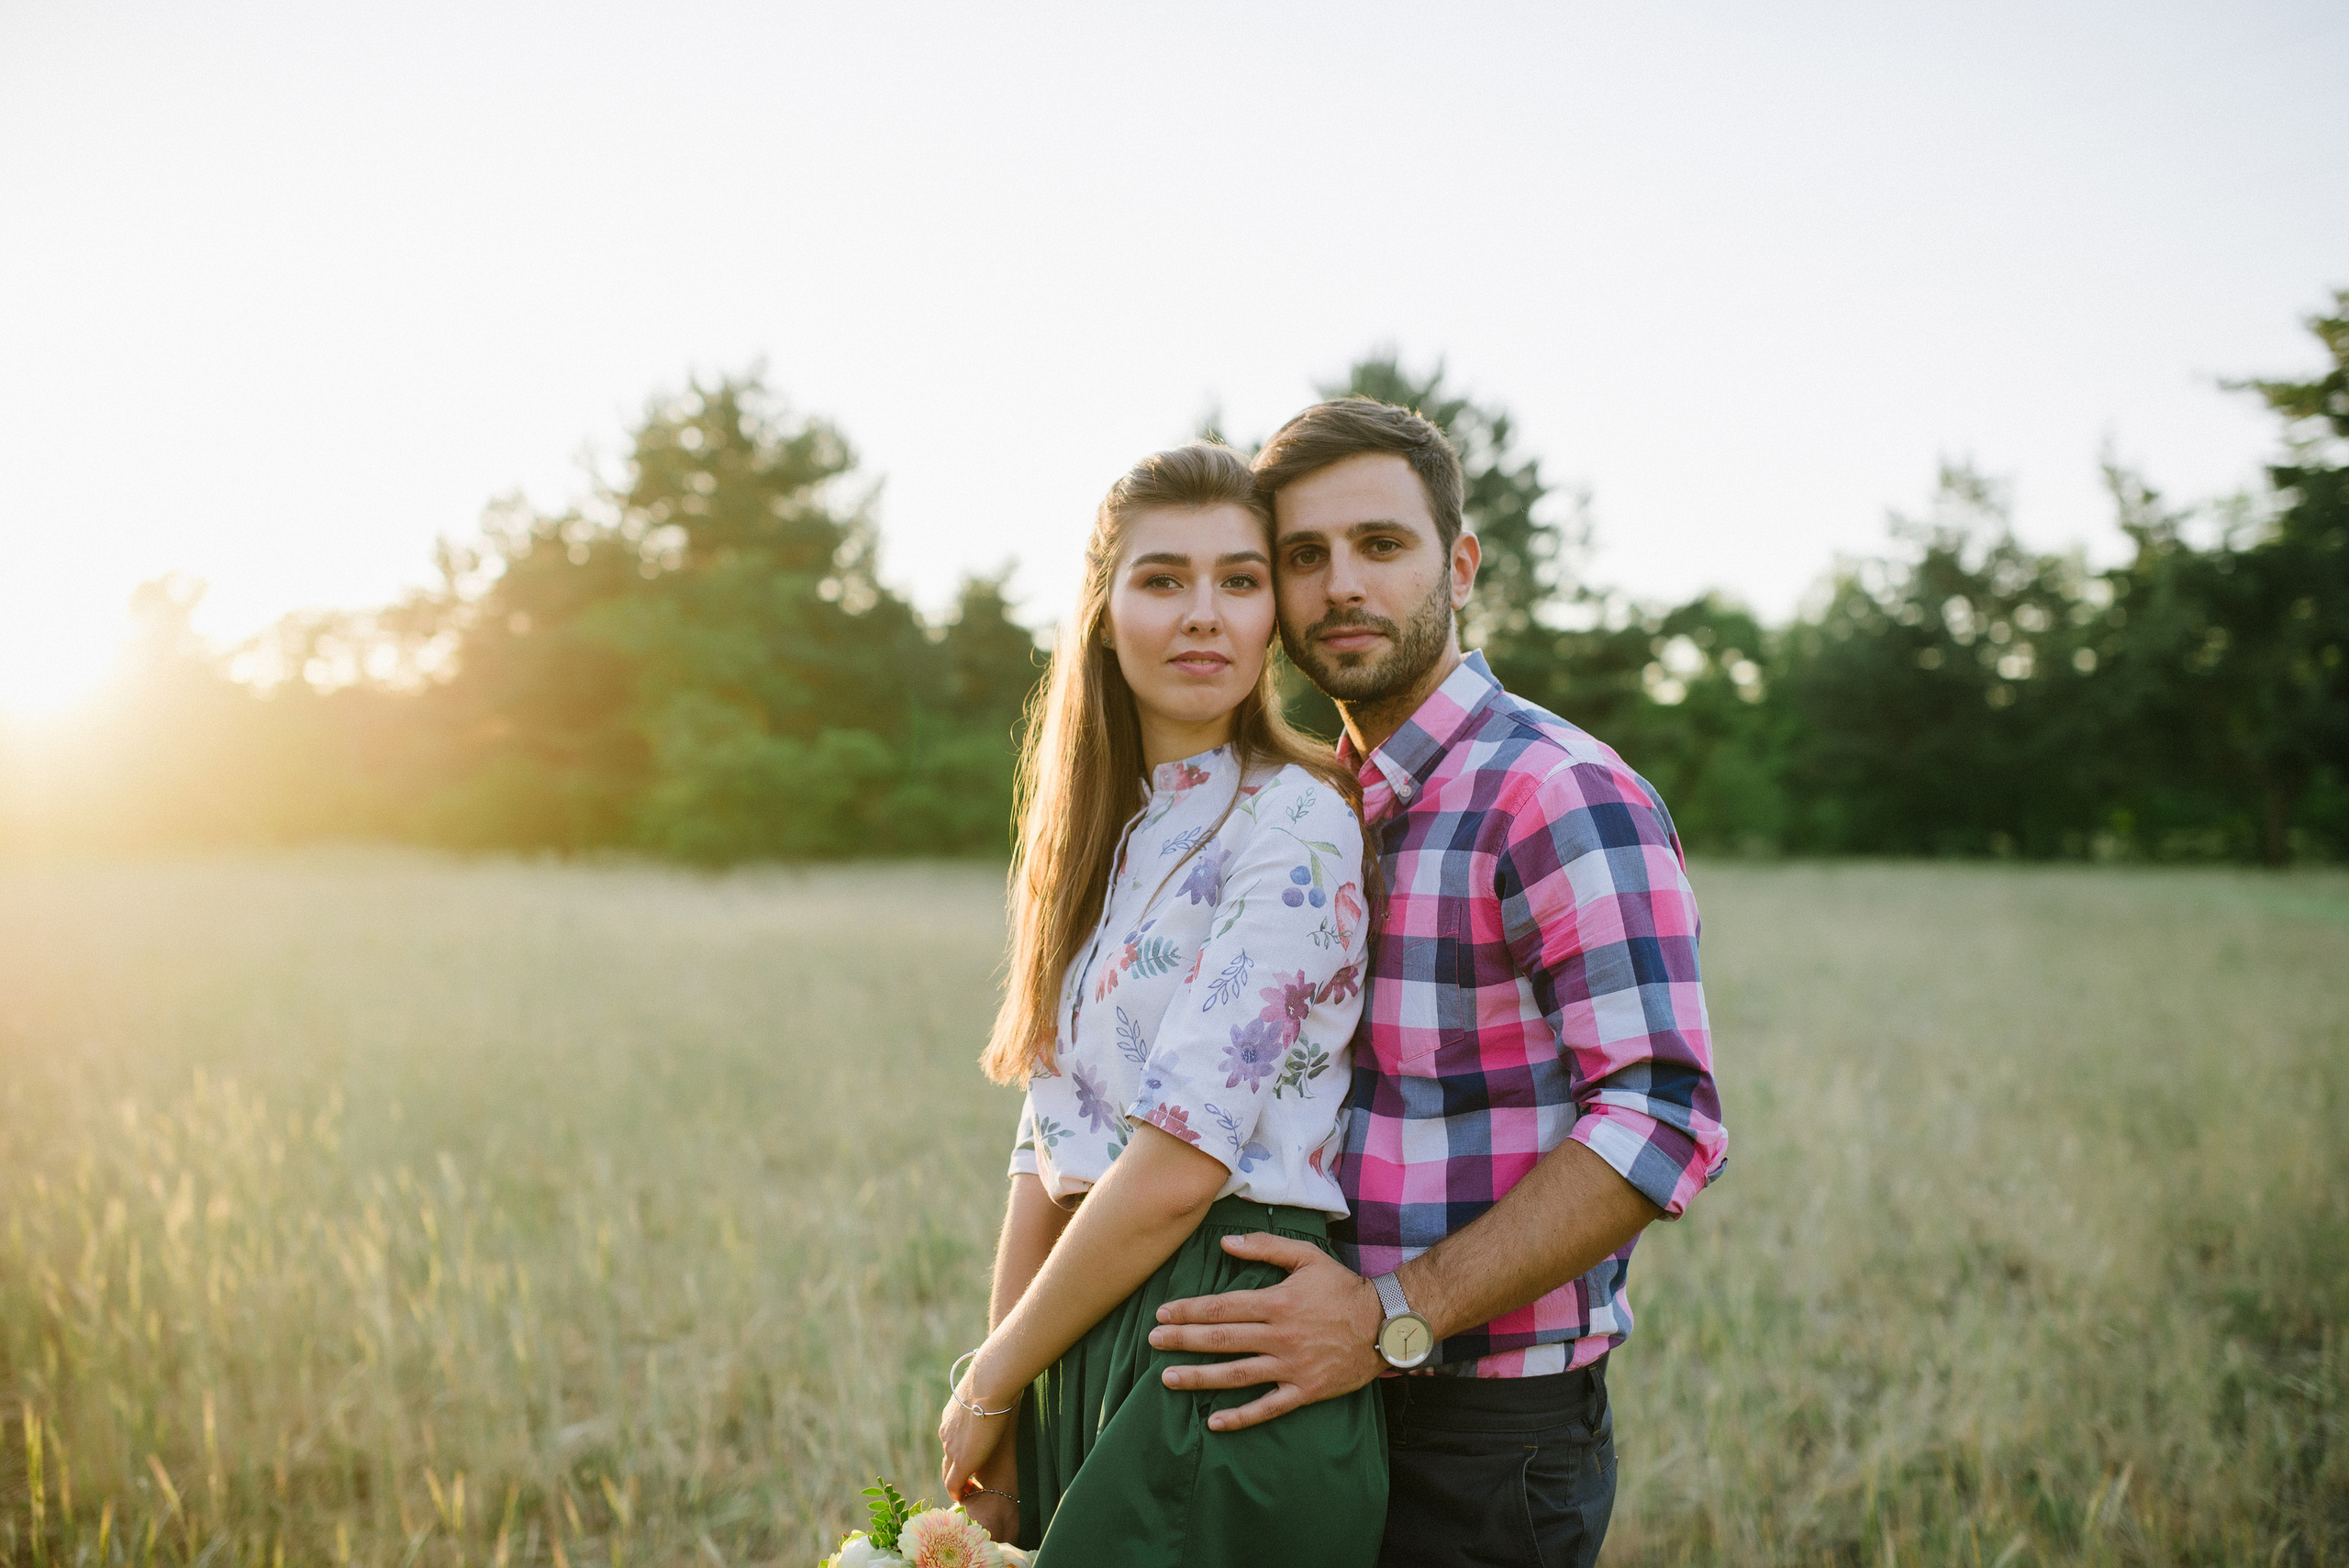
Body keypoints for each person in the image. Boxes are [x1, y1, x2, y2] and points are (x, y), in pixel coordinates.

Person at [1147, 399, 1729, 1568]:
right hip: (1319, 1393)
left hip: (1482, 1432)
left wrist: (1388, 1313)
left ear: (1458, 563)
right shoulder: (1310, 810)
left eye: (1380, 544)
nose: (1339, 586)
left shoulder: (1557, 791)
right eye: (1303, 556)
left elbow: (1661, 1117)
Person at [937, 442, 1388, 1567]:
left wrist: (991, 1380)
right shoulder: (1098, 839)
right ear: (1100, 611)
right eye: (1162, 578)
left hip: (1223, 1336)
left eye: (1238, 580)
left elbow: (1183, 1157)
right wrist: (1006, 1387)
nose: (1203, 614)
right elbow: (1047, 1139)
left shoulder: (1297, 819)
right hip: (1088, 1321)